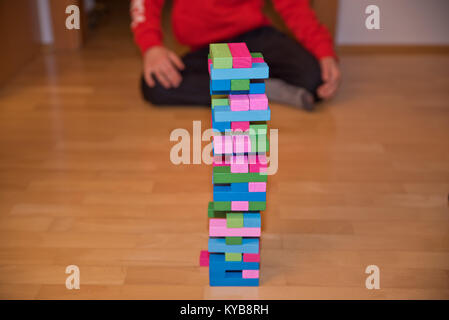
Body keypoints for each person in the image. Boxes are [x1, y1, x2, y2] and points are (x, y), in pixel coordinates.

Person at [130, 0, 341, 111]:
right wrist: (151, 47)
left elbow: (294, 7)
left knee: (316, 80)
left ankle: (244, 85)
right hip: (207, 49)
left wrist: (324, 51)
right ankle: (260, 87)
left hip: (255, 37)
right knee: (155, 84)